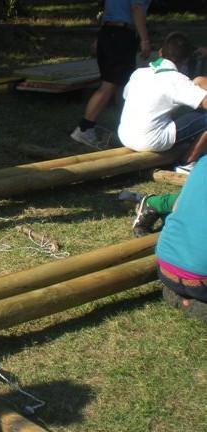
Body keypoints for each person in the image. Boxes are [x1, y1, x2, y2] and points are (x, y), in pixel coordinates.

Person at [117, 32, 207, 165]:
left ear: (160, 52)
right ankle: (188, 162)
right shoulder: (176, 80)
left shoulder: (139, 73)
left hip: (125, 136)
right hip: (151, 140)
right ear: (185, 60)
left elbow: (126, 95)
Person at [71, 0, 151, 149]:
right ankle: (84, 128)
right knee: (109, 84)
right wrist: (145, 40)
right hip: (121, 35)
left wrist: (99, 38)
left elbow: (109, 11)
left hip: (109, 33)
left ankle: (127, 127)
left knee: (122, 83)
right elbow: (137, 8)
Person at [155, 154, 207, 321]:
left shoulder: (203, 161)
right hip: (201, 280)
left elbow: (177, 205)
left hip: (166, 268)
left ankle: (179, 294)